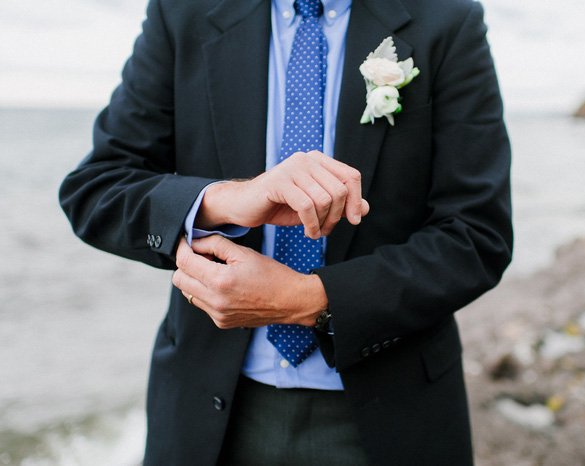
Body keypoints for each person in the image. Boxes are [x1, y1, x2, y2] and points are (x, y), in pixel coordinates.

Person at [59, 0, 512, 464]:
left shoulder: (447, 18)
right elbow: (97, 189)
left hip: (392, 411)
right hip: (207, 412)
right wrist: (224, 200)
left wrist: (310, 300)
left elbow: (477, 234)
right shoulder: (182, 12)